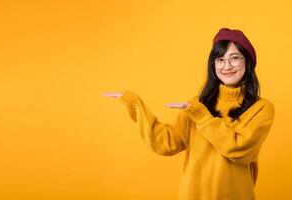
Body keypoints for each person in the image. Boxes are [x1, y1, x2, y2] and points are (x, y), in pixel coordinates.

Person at [102, 27, 275, 200]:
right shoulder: (197, 104)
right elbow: (165, 143)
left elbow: (239, 150)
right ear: (213, 64)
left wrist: (201, 117)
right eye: (220, 59)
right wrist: (136, 106)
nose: (227, 66)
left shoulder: (261, 108)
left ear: (248, 61)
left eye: (235, 58)